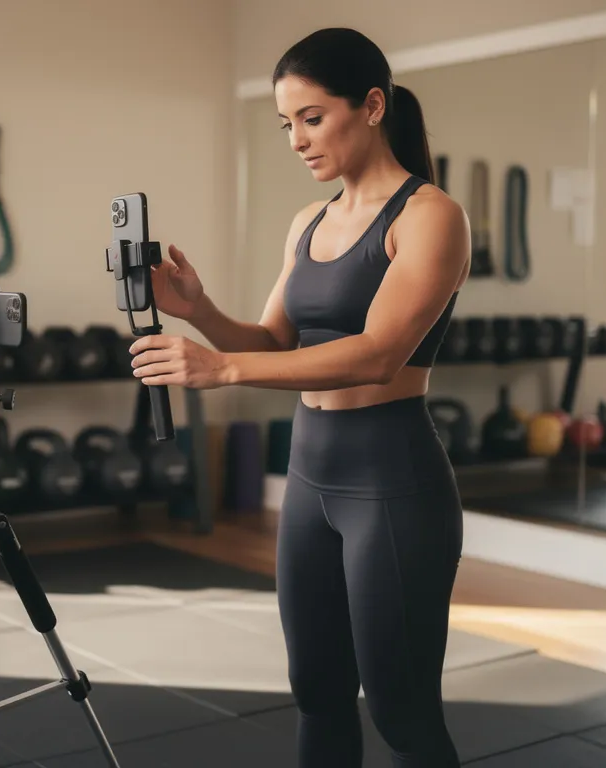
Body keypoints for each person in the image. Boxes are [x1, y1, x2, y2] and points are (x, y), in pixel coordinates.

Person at [128, 26, 467, 768]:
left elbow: (378, 356)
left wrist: (219, 370)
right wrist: (200, 310)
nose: (296, 140)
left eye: (312, 118)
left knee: (402, 712)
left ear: (372, 106)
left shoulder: (430, 216)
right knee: (315, 690)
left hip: (392, 479)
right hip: (313, 476)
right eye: (287, 124)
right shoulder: (307, 222)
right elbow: (276, 341)